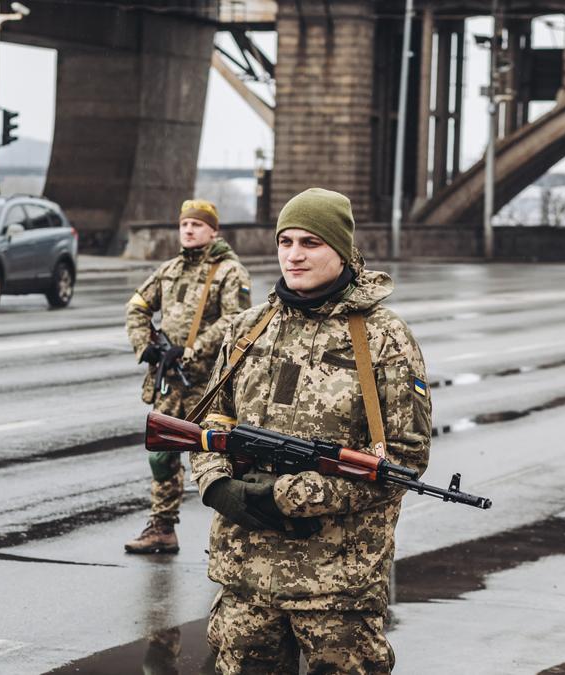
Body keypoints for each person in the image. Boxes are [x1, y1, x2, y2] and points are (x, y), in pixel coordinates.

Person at [191, 188, 432, 673]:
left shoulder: (383, 338)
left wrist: (286, 495)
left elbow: (404, 460)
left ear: (341, 251)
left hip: (337, 586)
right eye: (286, 241)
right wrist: (217, 485)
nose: (294, 255)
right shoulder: (247, 328)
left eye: (311, 243)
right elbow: (210, 424)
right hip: (246, 579)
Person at [124, 199, 252, 554]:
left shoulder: (229, 272)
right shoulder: (169, 270)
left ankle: (230, 536)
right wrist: (144, 345)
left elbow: (236, 322)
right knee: (161, 455)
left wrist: (192, 350)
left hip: (208, 385)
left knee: (215, 460)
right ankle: (162, 528)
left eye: (197, 224)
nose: (189, 230)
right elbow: (137, 306)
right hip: (172, 381)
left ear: (214, 230)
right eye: (184, 224)